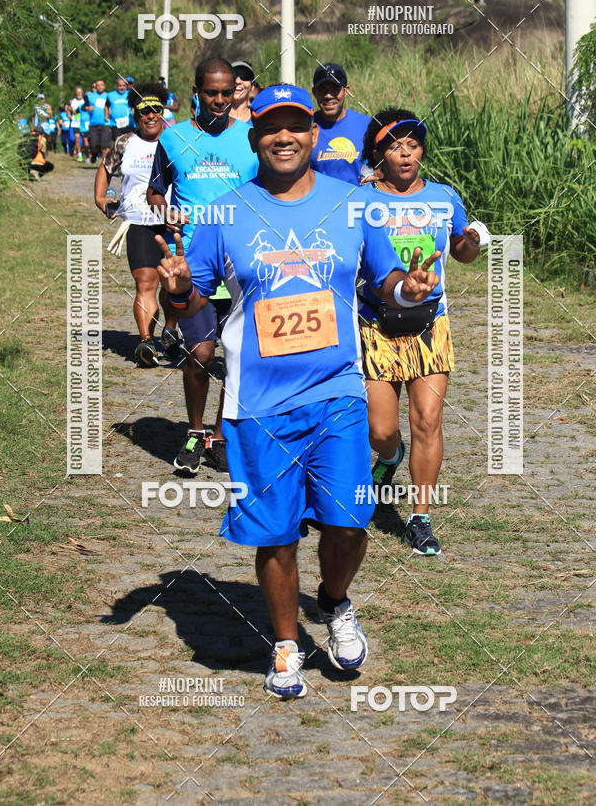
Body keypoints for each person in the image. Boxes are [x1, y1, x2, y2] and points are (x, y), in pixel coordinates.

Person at [154, 84, 440, 698]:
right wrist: (177, 291)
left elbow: (386, 278)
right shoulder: (224, 213)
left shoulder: (353, 203)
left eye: (295, 126)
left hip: (337, 391)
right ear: (253, 138)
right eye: (270, 128)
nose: (283, 137)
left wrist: (405, 293)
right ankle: (285, 644)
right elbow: (194, 307)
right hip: (258, 403)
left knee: (349, 520)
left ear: (315, 136)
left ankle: (334, 602)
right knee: (276, 534)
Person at [359, 109, 487, 556]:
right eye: (395, 146)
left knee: (428, 420)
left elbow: (463, 250)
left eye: (413, 145)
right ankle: (389, 458)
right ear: (379, 153)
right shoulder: (360, 201)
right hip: (375, 325)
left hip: (431, 324)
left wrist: (468, 242)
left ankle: (420, 518)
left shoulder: (444, 196)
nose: (406, 153)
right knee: (381, 430)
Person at [147, 56, 259, 475]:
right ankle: (194, 430)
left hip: (242, 262)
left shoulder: (252, 138)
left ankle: (219, 435)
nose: (218, 100)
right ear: (196, 92)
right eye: (210, 92)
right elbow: (157, 191)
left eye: (226, 92)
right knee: (200, 352)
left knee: (235, 355)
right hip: (192, 263)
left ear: (237, 92)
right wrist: (166, 212)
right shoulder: (173, 138)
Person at [94, 83, 179, 366]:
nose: (151, 115)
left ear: (163, 111)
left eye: (156, 109)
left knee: (173, 285)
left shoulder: (177, 140)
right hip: (139, 222)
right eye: (145, 110)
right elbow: (106, 168)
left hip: (172, 224)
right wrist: (100, 198)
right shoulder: (125, 142)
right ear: (136, 112)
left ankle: (170, 330)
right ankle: (146, 343)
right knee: (146, 281)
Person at [310, 63, 369, 187]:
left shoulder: (367, 125)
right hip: (320, 203)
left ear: (346, 91)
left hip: (358, 203)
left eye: (335, 89)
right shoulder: (304, 128)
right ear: (314, 92)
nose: (328, 95)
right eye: (322, 89)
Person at [84, 79, 112, 162]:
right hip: (93, 124)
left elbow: (112, 106)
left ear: (104, 86)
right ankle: (94, 154)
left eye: (101, 85)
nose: (100, 87)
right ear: (96, 87)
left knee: (105, 145)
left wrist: (110, 111)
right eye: (98, 85)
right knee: (94, 145)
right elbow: (83, 107)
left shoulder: (108, 96)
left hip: (105, 124)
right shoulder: (90, 96)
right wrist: (88, 108)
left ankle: (104, 164)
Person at [106, 76, 133, 142]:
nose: (122, 87)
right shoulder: (110, 95)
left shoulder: (130, 94)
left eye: (124, 86)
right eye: (120, 85)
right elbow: (106, 106)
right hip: (115, 123)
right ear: (117, 86)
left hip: (129, 123)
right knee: (118, 141)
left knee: (128, 141)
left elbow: (135, 104)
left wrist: (133, 109)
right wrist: (106, 115)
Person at [70, 86, 84, 160]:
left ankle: (86, 152)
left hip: (84, 123)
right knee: (77, 139)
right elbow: (73, 111)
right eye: (78, 92)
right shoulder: (73, 101)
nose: (79, 93)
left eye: (80, 92)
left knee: (85, 140)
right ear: (76, 93)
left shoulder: (84, 101)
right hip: (75, 123)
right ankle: (80, 155)